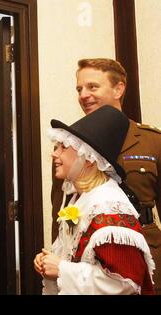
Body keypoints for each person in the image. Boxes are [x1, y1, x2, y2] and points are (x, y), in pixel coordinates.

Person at [51, 58, 161, 293]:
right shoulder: (69, 145)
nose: (83, 95)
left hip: (146, 253)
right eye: (79, 89)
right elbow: (62, 210)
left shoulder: (152, 141)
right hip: (86, 263)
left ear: (119, 89)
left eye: (92, 86)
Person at [35, 105, 154, 294]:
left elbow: (125, 282)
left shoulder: (109, 207)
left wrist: (61, 270)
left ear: (89, 159)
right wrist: (49, 261)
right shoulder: (79, 197)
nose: (54, 154)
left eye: (63, 147)